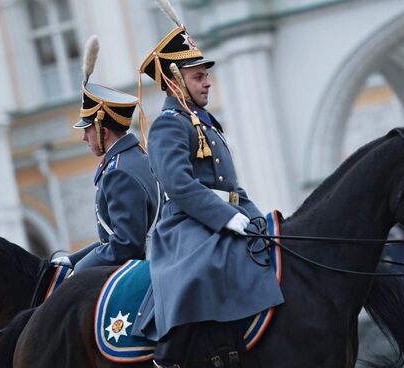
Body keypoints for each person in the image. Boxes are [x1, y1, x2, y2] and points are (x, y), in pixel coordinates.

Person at [131, 10, 284, 367]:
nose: (207, 82)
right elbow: (179, 185)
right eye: (198, 76)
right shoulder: (168, 125)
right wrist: (226, 218)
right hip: (186, 227)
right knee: (201, 270)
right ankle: (179, 353)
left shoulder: (204, 123)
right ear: (174, 83)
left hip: (220, 216)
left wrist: (256, 219)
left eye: (206, 75)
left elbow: (231, 187)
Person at [53, 36, 160, 273]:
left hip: (139, 274)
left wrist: (79, 271)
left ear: (104, 129)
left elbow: (127, 244)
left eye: (88, 129)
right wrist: (73, 260)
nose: (84, 137)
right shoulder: (134, 159)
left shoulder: (119, 172)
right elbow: (112, 237)